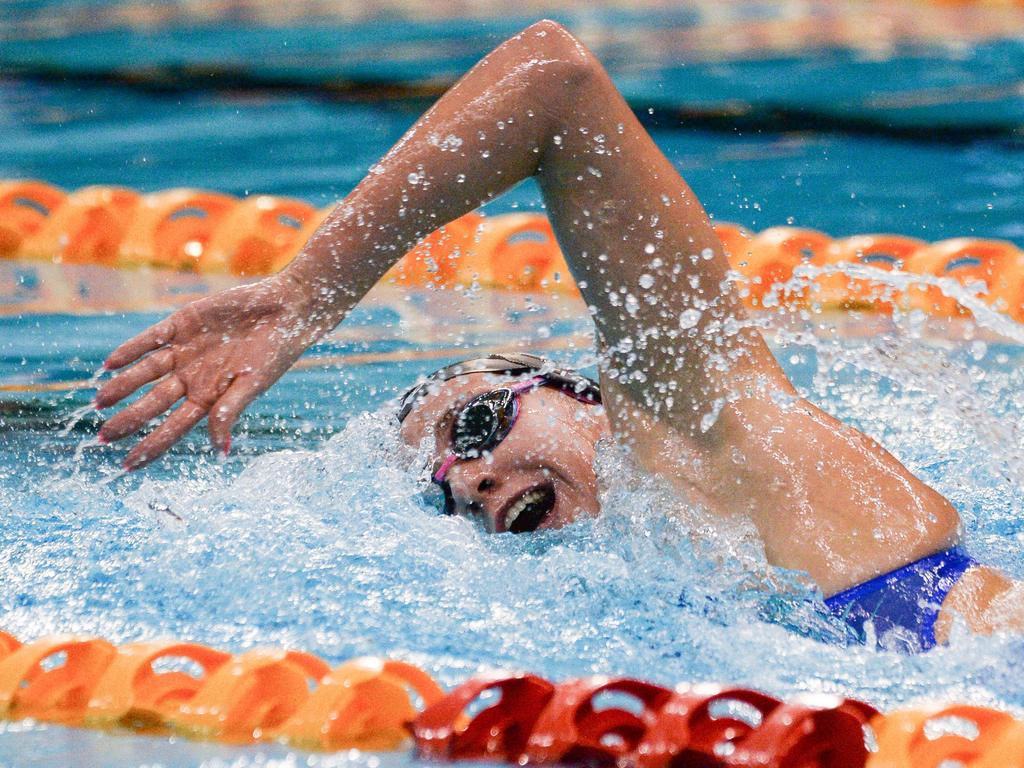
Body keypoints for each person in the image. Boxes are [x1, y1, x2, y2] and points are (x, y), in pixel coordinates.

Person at [94, 20, 1022, 651]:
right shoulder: (671, 580)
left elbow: (555, 83)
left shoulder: (701, 422)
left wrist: (305, 294)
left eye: (474, 428)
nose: (466, 477)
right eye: (443, 495)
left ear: (582, 395)